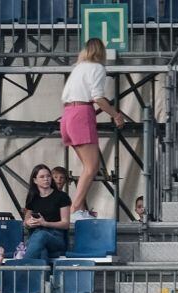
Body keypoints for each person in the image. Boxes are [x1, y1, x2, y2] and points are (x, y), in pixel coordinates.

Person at [60, 38, 125, 221]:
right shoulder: (97, 68)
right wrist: (115, 114)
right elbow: (98, 97)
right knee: (92, 166)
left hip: (67, 114)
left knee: (88, 167)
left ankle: (78, 208)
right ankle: (75, 209)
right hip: (81, 112)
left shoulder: (78, 67)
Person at [23, 164, 71, 261]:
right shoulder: (32, 197)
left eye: (48, 176)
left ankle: (22, 269)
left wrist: (45, 223)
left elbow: (65, 224)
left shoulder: (62, 196)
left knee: (41, 236)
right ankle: (45, 276)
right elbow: (25, 222)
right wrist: (29, 223)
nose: (46, 179)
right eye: (42, 177)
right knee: (41, 251)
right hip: (35, 236)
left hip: (56, 237)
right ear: (35, 180)